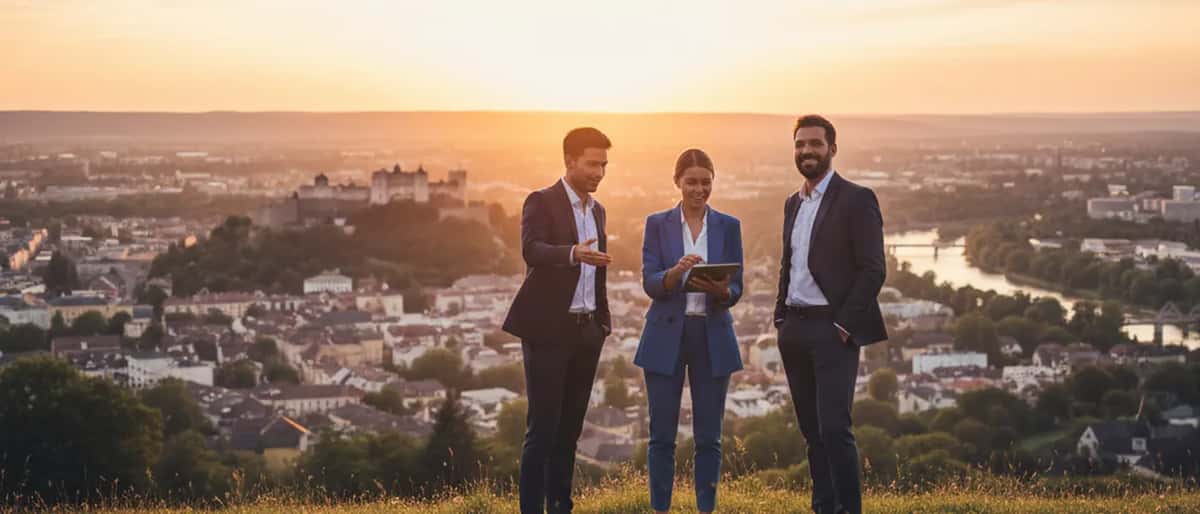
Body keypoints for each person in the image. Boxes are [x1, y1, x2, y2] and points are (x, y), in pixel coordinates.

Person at [774, 114, 887, 514]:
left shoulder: (856, 198)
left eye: (815, 144)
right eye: (800, 144)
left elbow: (874, 268)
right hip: (794, 328)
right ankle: (823, 507)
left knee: (835, 429)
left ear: (832, 149)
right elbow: (788, 265)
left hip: (831, 329)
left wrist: (842, 324)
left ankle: (848, 509)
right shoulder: (793, 202)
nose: (807, 151)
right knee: (811, 432)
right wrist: (780, 319)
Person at [502, 127, 614, 514]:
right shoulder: (542, 201)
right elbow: (531, 250)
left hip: (587, 331)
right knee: (542, 431)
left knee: (570, 431)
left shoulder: (597, 210)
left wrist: (602, 323)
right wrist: (572, 254)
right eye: (591, 164)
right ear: (569, 160)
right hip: (549, 330)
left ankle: (560, 506)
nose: (599, 172)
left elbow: (597, 272)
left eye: (603, 165)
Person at [635, 148, 744, 514]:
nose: (699, 189)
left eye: (706, 182)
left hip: (712, 335)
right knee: (661, 436)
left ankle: (705, 509)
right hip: (666, 336)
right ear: (677, 182)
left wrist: (723, 292)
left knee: (709, 439)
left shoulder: (729, 226)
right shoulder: (657, 223)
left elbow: (737, 286)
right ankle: (660, 509)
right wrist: (675, 273)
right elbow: (650, 283)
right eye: (692, 182)